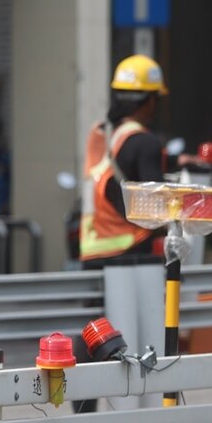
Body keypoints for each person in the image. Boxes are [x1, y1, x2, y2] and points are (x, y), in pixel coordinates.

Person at [79, 54, 195, 267]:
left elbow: (126, 162)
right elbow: (158, 208)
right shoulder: (145, 142)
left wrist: (176, 160)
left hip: (92, 253)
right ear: (150, 100)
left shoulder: (101, 135)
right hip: (129, 252)